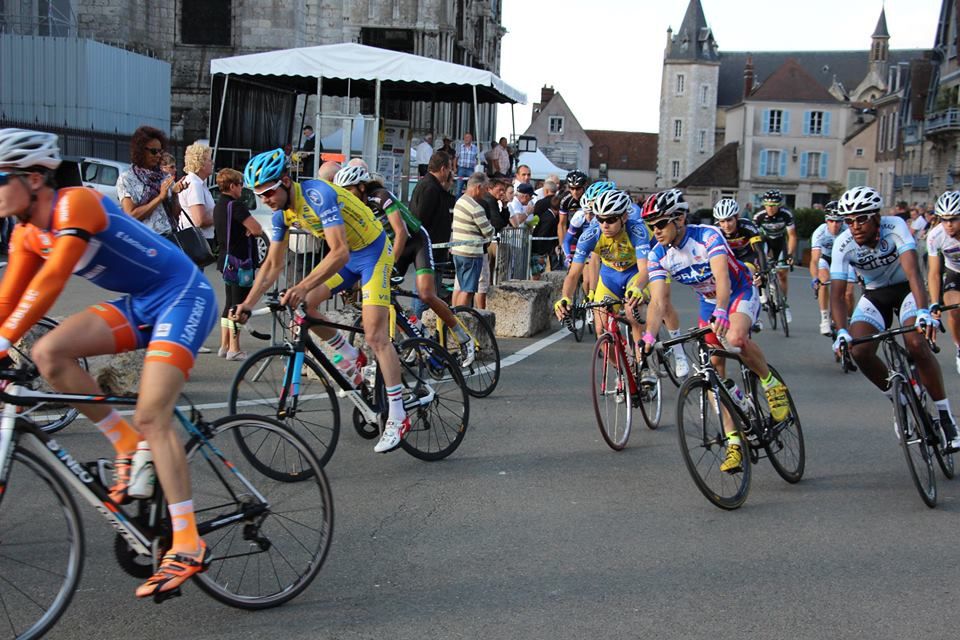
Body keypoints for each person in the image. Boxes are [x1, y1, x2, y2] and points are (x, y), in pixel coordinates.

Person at [0, 128, 218, 597]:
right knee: (48, 353)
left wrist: (2, 343)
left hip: (182, 295)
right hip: (141, 302)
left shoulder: (74, 204)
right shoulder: (24, 235)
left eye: (1, 178)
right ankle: (125, 445)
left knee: (152, 415)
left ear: (34, 178)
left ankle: (187, 542)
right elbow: (6, 303)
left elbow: (54, 279)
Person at [232, 148, 414, 453]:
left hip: (372, 254)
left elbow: (338, 251)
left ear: (286, 181)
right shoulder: (281, 215)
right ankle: (350, 357)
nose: (264, 200)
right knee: (304, 307)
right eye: (259, 195)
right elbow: (272, 266)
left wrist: (302, 285)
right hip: (348, 258)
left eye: (268, 192)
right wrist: (248, 304)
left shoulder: (317, 196)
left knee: (375, 334)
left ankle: (398, 414)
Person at [642, 188, 790, 473]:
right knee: (712, 375)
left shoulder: (708, 235)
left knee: (734, 339)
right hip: (707, 303)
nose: (656, 230)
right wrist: (649, 336)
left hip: (737, 292)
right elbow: (659, 301)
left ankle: (772, 384)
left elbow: (722, 277)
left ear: (679, 219)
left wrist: (723, 309)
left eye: (660, 223)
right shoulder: (658, 253)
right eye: (652, 225)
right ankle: (735, 441)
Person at [831, 186, 960, 452]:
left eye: (861, 218)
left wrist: (924, 312)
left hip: (906, 291)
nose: (854, 226)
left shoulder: (895, 226)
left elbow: (914, 273)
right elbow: (836, 293)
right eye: (849, 220)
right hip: (875, 295)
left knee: (915, 343)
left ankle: (945, 416)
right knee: (859, 349)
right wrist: (841, 331)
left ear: (877, 217)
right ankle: (897, 397)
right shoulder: (842, 244)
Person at [334, 164, 475, 364]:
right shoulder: (353, 208)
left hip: (415, 241)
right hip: (391, 249)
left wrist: (390, 264)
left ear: (361, 187)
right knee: (386, 297)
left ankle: (462, 336)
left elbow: (400, 231)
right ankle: (416, 332)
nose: (346, 196)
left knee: (426, 294)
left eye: (349, 190)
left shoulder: (380, 196)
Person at [554, 190, 650, 349]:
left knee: (633, 313)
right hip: (609, 277)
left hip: (634, 273)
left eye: (611, 220)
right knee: (601, 331)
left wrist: (638, 288)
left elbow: (645, 270)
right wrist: (565, 297)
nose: (605, 224)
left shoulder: (636, 231)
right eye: (600, 219)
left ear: (624, 217)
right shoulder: (590, 235)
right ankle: (619, 372)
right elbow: (573, 274)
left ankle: (644, 368)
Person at [213, 168, 263, 361]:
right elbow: (257, 229)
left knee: (229, 303)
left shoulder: (220, 206)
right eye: (240, 184)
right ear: (232, 185)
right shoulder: (237, 206)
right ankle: (235, 348)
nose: (242, 188)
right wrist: (248, 230)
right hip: (240, 260)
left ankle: (225, 345)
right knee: (239, 305)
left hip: (226, 259)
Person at [116, 125, 176, 240]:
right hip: (146, 240)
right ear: (140, 151)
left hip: (170, 237)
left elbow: (175, 214)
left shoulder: (165, 176)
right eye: (154, 151)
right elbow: (131, 215)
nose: (158, 155)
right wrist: (160, 198)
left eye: (160, 151)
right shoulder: (127, 178)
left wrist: (175, 194)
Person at [809, 201, 855, 336]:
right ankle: (824, 318)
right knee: (823, 280)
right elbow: (814, 260)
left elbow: (858, 253)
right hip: (826, 259)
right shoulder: (820, 232)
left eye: (838, 221)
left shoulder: (848, 230)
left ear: (843, 221)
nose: (835, 225)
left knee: (849, 292)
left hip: (845, 259)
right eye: (831, 221)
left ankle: (849, 319)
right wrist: (814, 278)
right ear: (826, 220)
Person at [927, 191, 960, 375]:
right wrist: (933, 302)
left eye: (954, 219)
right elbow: (933, 273)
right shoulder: (936, 235)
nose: (948, 224)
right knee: (954, 310)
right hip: (954, 273)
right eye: (943, 219)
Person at [450, 173, 494, 308]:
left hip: (458, 251)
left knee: (459, 286)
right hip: (471, 253)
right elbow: (489, 231)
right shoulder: (476, 207)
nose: (486, 192)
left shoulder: (460, 201)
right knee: (468, 290)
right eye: (485, 188)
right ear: (478, 187)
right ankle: (460, 319)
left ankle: (454, 315)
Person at [753, 189, 797, 323]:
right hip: (765, 242)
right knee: (761, 268)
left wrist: (790, 254)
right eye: (767, 205)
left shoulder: (786, 215)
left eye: (773, 205)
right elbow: (753, 239)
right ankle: (763, 294)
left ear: (779, 205)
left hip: (780, 242)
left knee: (783, 273)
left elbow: (792, 236)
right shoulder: (759, 216)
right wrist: (759, 258)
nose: (770, 208)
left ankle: (784, 304)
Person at [411, 150, 455, 268]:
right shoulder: (430, 188)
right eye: (449, 168)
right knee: (431, 284)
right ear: (442, 169)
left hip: (433, 247)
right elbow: (422, 218)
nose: (451, 172)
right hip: (430, 248)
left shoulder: (432, 186)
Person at [177, 143, 216, 258]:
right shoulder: (195, 185)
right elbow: (199, 221)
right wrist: (221, 217)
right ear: (201, 164)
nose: (212, 163)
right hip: (196, 241)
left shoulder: (198, 183)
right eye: (209, 160)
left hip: (194, 239)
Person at [454, 133, 478, 198]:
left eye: (468, 137)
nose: (467, 139)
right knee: (458, 189)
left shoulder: (475, 148)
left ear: (471, 139)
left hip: (471, 169)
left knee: (471, 188)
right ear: (464, 139)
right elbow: (456, 158)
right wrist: (455, 168)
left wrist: (476, 170)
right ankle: (457, 205)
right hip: (461, 169)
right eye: (466, 137)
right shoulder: (460, 147)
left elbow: (477, 159)